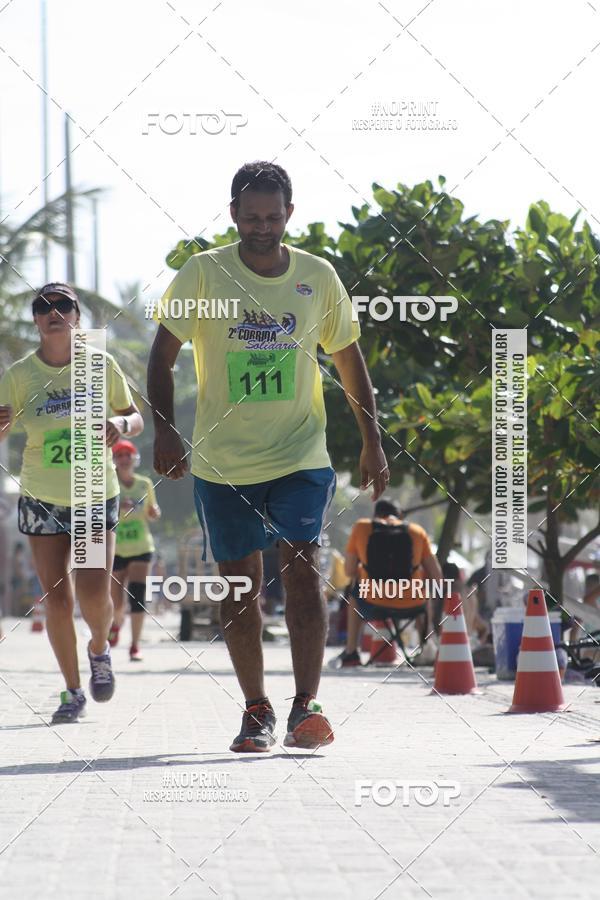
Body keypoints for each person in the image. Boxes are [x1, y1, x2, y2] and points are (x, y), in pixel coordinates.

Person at [148, 161, 389, 752]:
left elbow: (349, 363)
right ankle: (256, 708)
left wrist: (372, 438)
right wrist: (165, 432)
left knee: (304, 576)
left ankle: (306, 707)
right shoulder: (202, 276)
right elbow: (160, 358)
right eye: (251, 217)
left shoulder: (317, 276)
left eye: (273, 217)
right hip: (223, 462)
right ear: (233, 214)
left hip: (301, 454)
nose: (262, 227)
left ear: (289, 214)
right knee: (239, 587)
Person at [0, 283, 143, 723]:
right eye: (44, 307)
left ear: (77, 316)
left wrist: (119, 423)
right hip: (42, 494)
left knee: (94, 592)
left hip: (93, 493)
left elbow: (135, 416)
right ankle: (72, 690)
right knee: (57, 600)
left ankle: (99, 648)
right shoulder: (20, 375)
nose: (54, 312)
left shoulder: (99, 364)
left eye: (64, 305)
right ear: (36, 320)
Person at [330, 499, 443, 667]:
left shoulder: (362, 527)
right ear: (400, 517)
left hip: (372, 601)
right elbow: (437, 576)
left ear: (375, 516)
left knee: (353, 593)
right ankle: (425, 647)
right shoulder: (417, 531)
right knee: (423, 592)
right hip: (412, 604)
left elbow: (349, 571)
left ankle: (352, 651)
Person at [109, 439, 161, 660]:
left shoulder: (145, 483)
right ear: (114, 460)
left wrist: (154, 512)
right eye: (119, 455)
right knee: (117, 602)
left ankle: (135, 645)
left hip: (141, 545)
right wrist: (118, 506)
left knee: (137, 597)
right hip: (115, 547)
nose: (123, 459)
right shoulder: (109, 483)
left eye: (127, 455)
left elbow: (152, 511)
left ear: (134, 459)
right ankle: (116, 623)